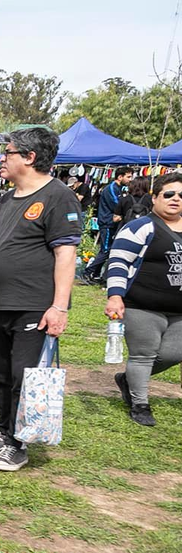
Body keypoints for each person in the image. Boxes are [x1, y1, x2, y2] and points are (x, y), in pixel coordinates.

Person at [0, 127, 81, 472]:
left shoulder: (59, 197)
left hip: (34, 305)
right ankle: (4, 431)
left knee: (23, 376)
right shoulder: (5, 198)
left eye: (7, 152)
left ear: (29, 157)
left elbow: (66, 255)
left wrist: (59, 307)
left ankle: (18, 444)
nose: (1, 158)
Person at [105, 172, 182, 427]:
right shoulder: (141, 227)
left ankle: (127, 379)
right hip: (141, 305)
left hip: (178, 310)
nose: (175, 199)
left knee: (173, 353)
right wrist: (115, 296)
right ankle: (140, 404)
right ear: (155, 198)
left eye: (181, 195)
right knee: (143, 354)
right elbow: (117, 262)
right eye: (169, 194)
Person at [83, 167, 133, 283]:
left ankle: (95, 275)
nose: (130, 179)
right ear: (120, 177)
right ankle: (87, 272)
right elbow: (117, 205)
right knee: (106, 250)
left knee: (106, 249)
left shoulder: (120, 189)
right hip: (108, 223)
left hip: (112, 223)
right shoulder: (111, 189)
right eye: (128, 177)